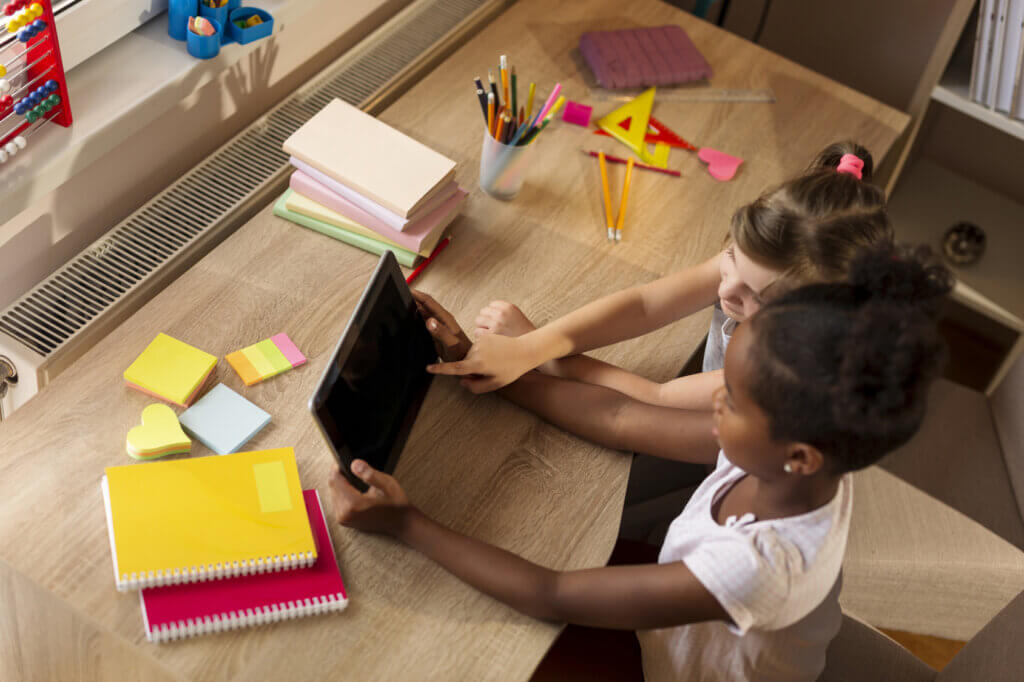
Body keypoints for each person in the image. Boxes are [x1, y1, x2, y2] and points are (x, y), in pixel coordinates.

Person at [328, 245, 952, 681]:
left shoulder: (757, 567)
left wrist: (407, 523)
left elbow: (552, 592)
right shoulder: (804, 461)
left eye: (729, 399)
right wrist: (487, 362)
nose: (712, 402)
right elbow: (619, 419)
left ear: (798, 454)